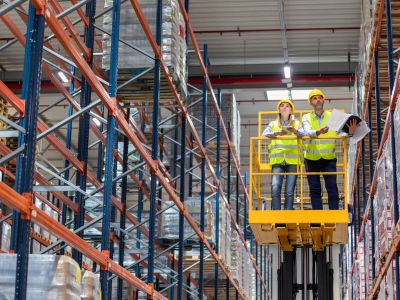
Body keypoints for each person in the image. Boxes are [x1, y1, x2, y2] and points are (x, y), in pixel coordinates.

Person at [302, 89, 357, 210]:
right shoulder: (306, 117)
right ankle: (318, 216)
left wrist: (350, 133)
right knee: (315, 188)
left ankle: (334, 213)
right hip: (311, 159)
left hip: (329, 158)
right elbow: (307, 131)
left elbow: (340, 133)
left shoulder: (332, 116)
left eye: (319, 97)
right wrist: (318, 131)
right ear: (310, 102)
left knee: (332, 186)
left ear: (323, 100)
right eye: (314, 98)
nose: (318, 100)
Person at [262, 99, 304, 210]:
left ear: (291, 110)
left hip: (293, 160)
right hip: (278, 160)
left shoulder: (297, 123)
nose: (284, 107)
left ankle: (287, 213)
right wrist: (276, 133)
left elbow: (303, 134)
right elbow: (264, 134)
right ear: (279, 110)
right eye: (282, 106)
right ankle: (277, 215)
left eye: (287, 106)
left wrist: (295, 131)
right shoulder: (273, 124)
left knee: (289, 190)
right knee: (275, 188)